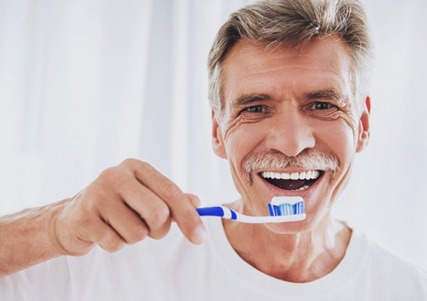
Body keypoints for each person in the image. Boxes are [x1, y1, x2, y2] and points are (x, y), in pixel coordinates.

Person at [1, 0, 426, 300]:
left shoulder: (407, 290)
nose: (292, 142)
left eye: (322, 104)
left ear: (364, 124)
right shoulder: (112, 257)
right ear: (218, 131)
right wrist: (53, 228)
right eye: (256, 108)